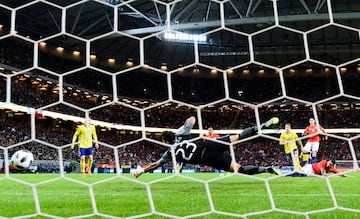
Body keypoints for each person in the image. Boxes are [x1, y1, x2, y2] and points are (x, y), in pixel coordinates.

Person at [134, 116, 281, 178]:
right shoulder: (181, 134)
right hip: (208, 144)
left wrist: (142, 171)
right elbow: (192, 119)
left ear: (166, 142)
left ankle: (266, 169)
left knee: (240, 169)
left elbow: (155, 165)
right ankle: (259, 127)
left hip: (208, 158)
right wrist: (183, 128)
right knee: (239, 137)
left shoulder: (169, 152)